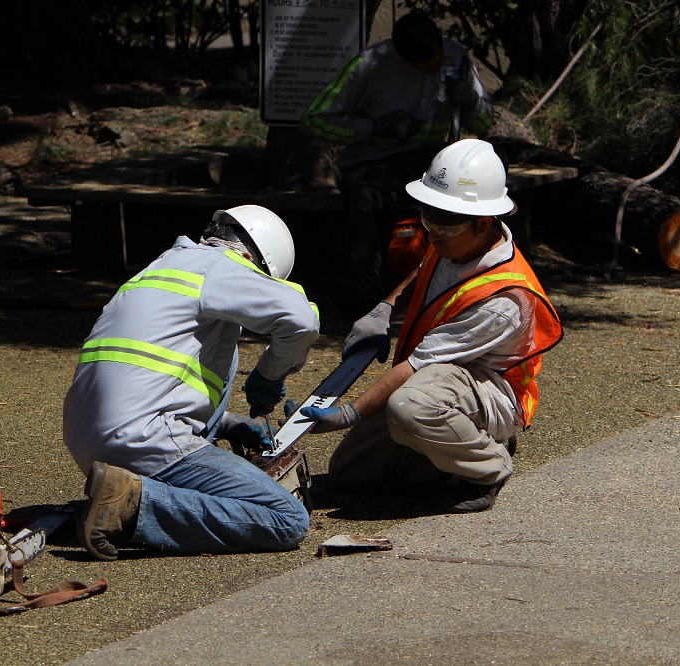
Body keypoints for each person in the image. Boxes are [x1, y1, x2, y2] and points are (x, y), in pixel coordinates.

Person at [299, 140, 563, 512]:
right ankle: (455, 449)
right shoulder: (456, 240)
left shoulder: (504, 299)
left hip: (490, 392)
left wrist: (350, 414)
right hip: (441, 381)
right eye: (428, 217)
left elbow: (418, 364)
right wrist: (384, 309)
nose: (433, 232)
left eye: (445, 223)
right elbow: (423, 273)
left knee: (409, 406)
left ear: (484, 222)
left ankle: (489, 466)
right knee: (349, 473)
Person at [63, 205, 320, 560]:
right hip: (144, 439)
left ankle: (126, 491)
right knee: (286, 519)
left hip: (87, 440)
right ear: (253, 260)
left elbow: (151, 375)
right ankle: (135, 502)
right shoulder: (220, 266)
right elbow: (302, 319)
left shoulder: (160, 267)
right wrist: (270, 374)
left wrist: (227, 422)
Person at [300, 12, 494, 309]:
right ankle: (364, 289)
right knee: (362, 200)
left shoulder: (457, 57)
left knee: (458, 198)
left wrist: (470, 101)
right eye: (424, 65)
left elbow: (484, 123)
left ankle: (461, 282)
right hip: (374, 160)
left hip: (431, 158)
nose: (435, 67)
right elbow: (315, 119)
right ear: (400, 55)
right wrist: (375, 128)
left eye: (437, 59)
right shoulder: (368, 65)